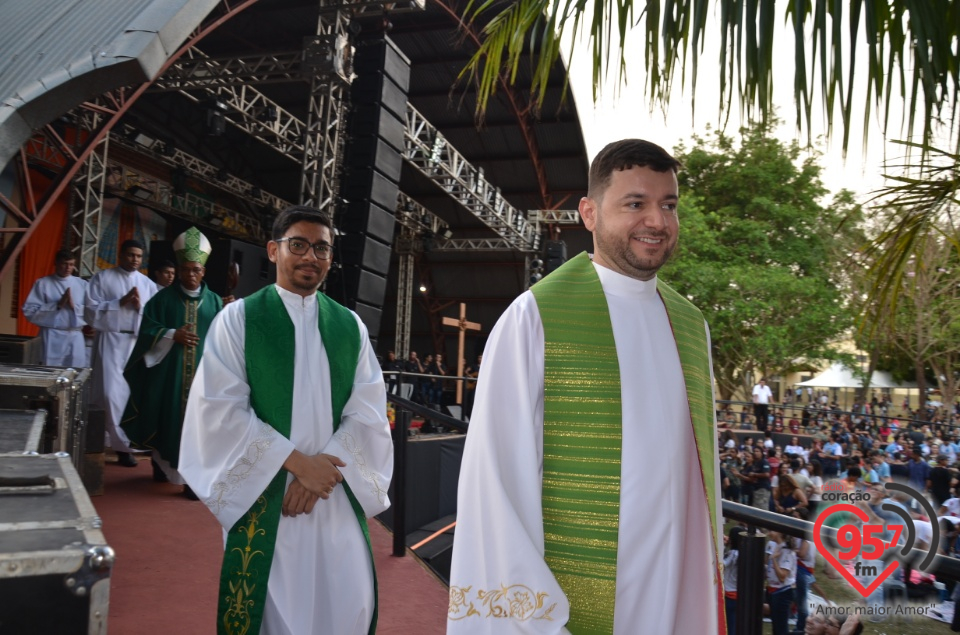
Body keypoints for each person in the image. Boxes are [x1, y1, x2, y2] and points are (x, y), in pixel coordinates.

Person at [447, 140, 725, 633]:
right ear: (590, 213)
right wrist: (536, 620)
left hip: (675, 587)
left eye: (669, 205)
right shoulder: (535, 318)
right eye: (635, 204)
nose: (657, 222)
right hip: (577, 600)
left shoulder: (691, 325)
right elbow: (497, 484)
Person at [179, 206, 393, 635]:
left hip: (333, 493)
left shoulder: (348, 326)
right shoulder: (237, 320)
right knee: (275, 613)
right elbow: (219, 409)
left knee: (348, 600)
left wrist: (322, 472)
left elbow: (368, 411)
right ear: (274, 251)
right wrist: (299, 465)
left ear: (331, 259)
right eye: (298, 245)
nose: (309, 256)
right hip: (267, 492)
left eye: (321, 248)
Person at [121, 228, 224, 497]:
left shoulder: (214, 302)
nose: (191, 275)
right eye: (186, 269)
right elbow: (146, 331)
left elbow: (223, 338)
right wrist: (171, 334)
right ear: (178, 269)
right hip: (169, 376)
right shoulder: (162, 300)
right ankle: (161, 463)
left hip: (202, 377)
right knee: (166, 420)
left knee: (198, 427)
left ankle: (191, 479)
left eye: (196, 270)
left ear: (204, 271)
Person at [85, 239, 158, 467]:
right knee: (109, 394)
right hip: (111, 339)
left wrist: (140, 308)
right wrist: (119, 302)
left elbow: (155, 316)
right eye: (130, 255)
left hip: (136, 343)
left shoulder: (147, 284)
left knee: (129, 395)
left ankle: (126, 446)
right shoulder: (102, 278)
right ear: (121, 255)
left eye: (138, 256)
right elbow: (89, 310)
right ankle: (115, 443)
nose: (134, 259)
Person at [21, 249, 89, 367]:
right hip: (51, 335)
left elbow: (91, 310)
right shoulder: (43, 283)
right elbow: (29, 311)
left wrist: (74, 307)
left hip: (75, 335)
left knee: (75, 373)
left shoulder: (82, 284)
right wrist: (57, 305)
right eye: (64, 264)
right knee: (50, 370)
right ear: (56, 263)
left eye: (71, 264)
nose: (68, 268)